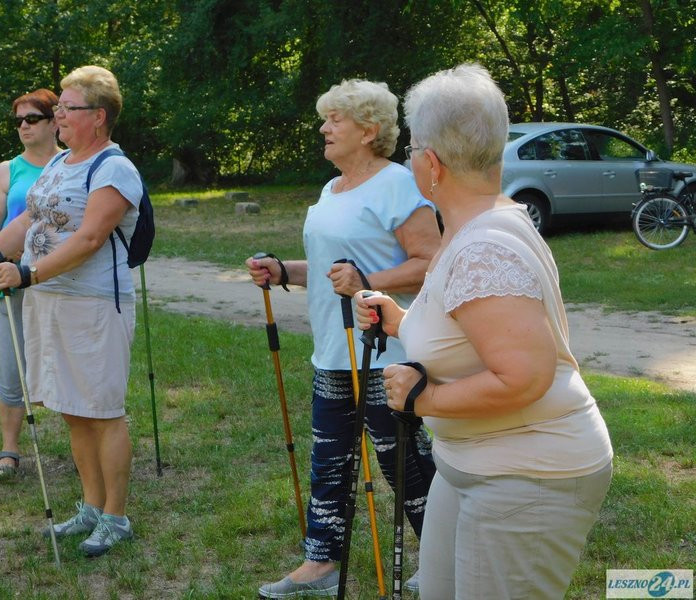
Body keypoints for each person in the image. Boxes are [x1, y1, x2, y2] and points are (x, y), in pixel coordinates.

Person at [355, 63, 613, 599]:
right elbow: (469, 327)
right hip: (471, 464)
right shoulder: (478, 223)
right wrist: (401, 320)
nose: (408, 161)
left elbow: (524, 376)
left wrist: (423, 398)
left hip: (528, 475)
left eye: (411, 150)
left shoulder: (482, 249)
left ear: (431, 163)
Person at [247, 79, 441, 598]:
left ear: (369, 130)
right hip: (334, 351)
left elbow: (432, 263)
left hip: (386, 350)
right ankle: (320, 563)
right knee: (329, 460)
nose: (323, 128)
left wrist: (368, 282)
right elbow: (334, 271)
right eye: (325, 118)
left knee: (405, 461)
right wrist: (284, 271)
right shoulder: (331, 189)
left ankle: (443, 556)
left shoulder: (398, 184)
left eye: (335, 119)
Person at [0, 65, 143, 557]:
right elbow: (26, 221)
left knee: (102, 411)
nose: (59, 116)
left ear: (98, 116)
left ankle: (116, 517)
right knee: (73, 410)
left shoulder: (114, 168)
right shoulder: (59, 164)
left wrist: (29, 273)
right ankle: (91, 507)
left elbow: (90, 238)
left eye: (67, 108)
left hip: (95, 304)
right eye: (59, 108)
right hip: (49, 302)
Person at [0, 88, 61, 479]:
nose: (23, 126)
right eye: (19, 121)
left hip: (59, 280)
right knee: (10, 369)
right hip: (10, 280)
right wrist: (0, 256)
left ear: (55, 121)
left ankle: (86, 444)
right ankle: (9, 449)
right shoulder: (7, 170)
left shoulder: (73, 164)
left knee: (65, 364)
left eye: (32, 119)